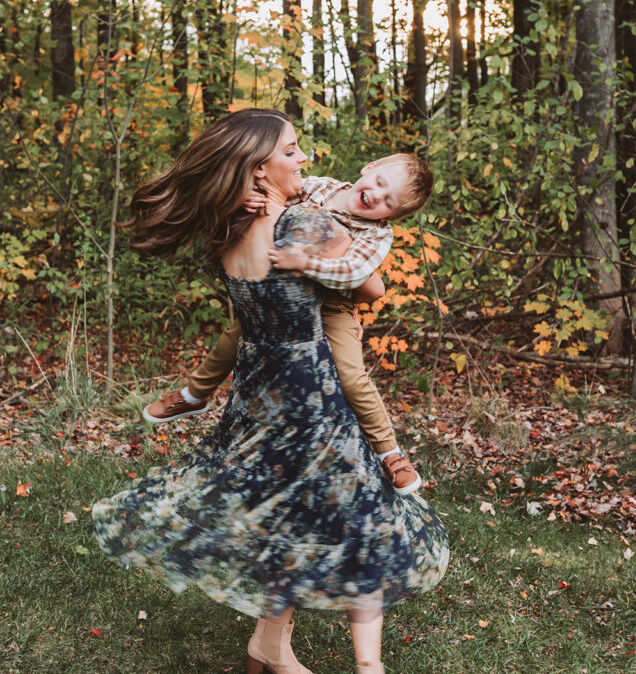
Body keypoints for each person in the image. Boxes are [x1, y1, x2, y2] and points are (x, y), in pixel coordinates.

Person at [92, 108, 449, 674]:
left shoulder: (228, 229)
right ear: (262, 166)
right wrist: (337, 251)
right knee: (359, 524)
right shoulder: (308, 222)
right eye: (292, 150)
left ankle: (269, 644)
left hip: (256, 393)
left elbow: (245, 318)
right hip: (311, 394)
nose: (305, 159)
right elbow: (368, 291)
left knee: (286, 515)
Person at [142, 153, 433, 496]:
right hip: (287, 291)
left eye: (388, 202)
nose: (376, 196)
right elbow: (277, 196)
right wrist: (247, 195)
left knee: (352, 375)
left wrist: (306, 262)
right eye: (380, 183)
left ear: (392, 215)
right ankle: (194, 394)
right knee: (237, 333)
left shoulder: (376, 235)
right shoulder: (320, 187)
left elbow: (355, 271)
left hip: (333, 303)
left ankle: (390, 452)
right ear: (369, 168)